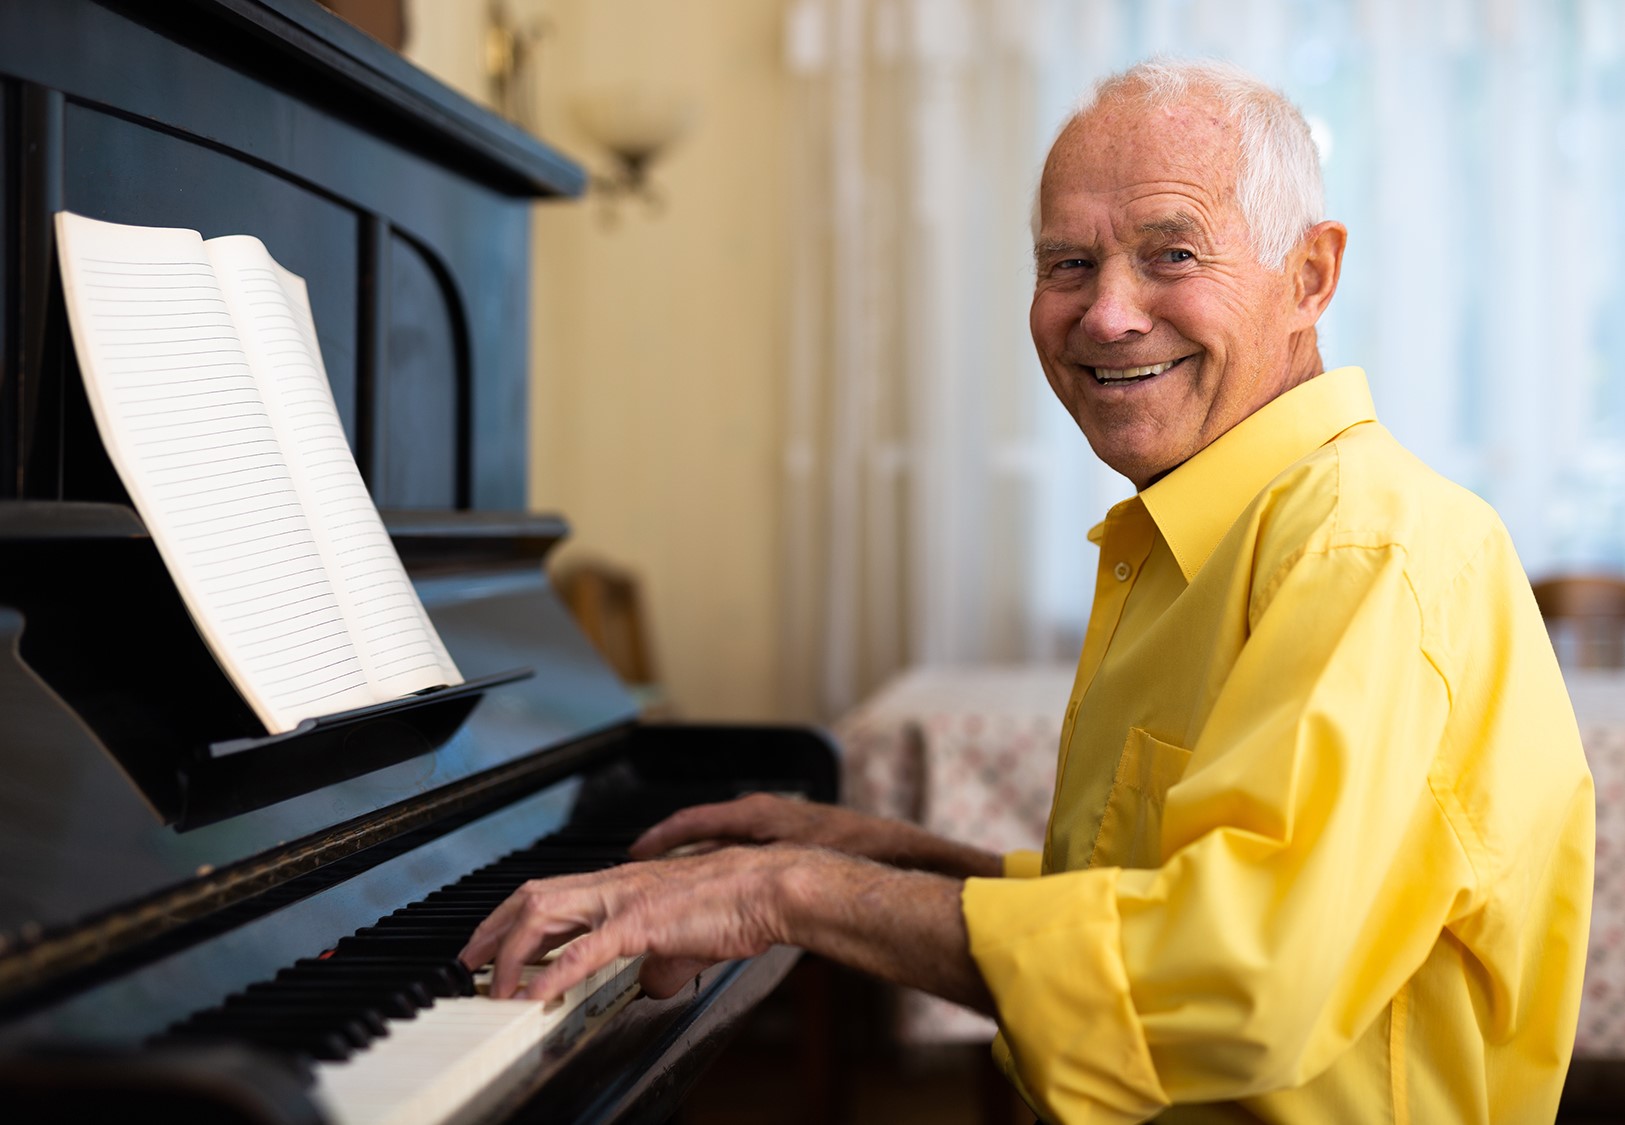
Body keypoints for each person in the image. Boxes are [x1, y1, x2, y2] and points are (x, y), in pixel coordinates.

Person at [460, 59, 1594, 1123]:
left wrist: (789, 895)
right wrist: (862, 854)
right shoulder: (1207, 524)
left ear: (1308, 276)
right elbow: (1141, 905)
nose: (1104, 315)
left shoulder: (1361, 546)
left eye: (1170, 253)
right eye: (1066, 263)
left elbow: (1234, 978)